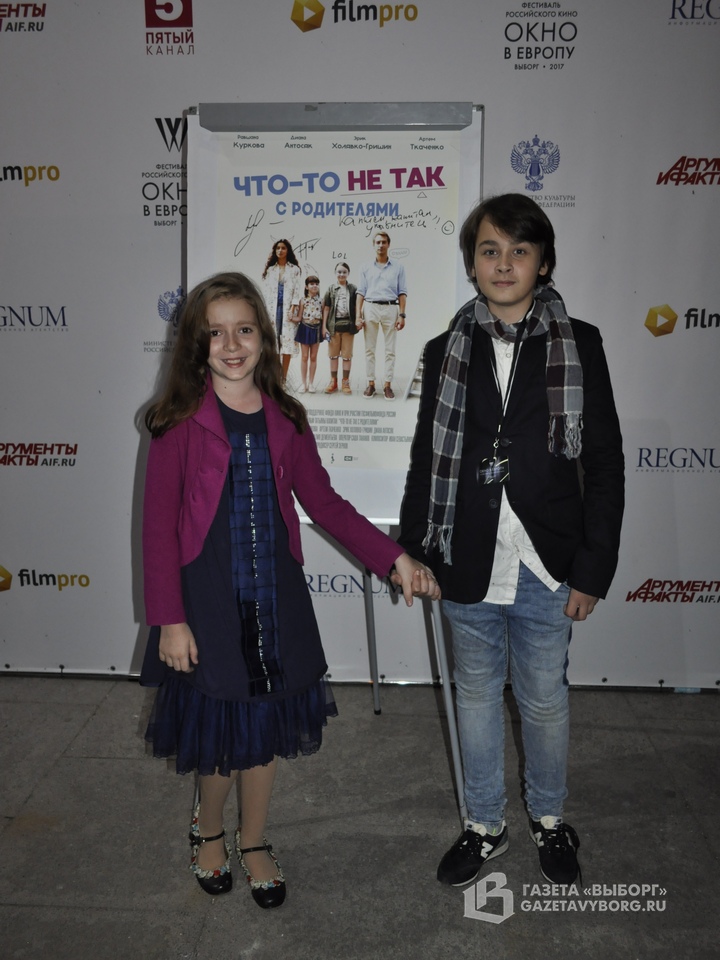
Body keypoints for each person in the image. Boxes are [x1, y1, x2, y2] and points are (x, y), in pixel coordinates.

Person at [141, 272, 440, 910]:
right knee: (221, 729)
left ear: (264, 337)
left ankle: (253, 839)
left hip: (275, 599)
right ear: (196, 343)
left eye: (244, 330)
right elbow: (158, 529)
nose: (231, 345)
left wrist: (393, 559)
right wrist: (170, 619)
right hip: (208, 601)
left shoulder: (287, 418)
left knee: (265, 725)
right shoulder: (176, 423)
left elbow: (325, 504)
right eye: (215, 333)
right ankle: (209, 828)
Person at [398, 194, 624, 888]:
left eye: (519, 251)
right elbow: (426, 460)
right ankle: (485, 824)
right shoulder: (444, 350)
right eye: (490, 250)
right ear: (472, 263)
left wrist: (593, 569)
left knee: (544, 700)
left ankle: (549, 819)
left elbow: (604, 463)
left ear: (543, 264)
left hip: (547, 562)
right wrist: (415, 552)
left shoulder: (579, 342)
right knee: (473, 697)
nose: (503, 263)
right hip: (465, 558)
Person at [356, 231, 407, 401]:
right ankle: (370, 383)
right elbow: (361, 292)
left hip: (391, 307)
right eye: (378, 242)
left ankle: (387, 385)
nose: (381, 245)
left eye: (384, 242)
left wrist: (402, 315)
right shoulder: (365, 267)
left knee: (390, 350)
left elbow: (402, 292)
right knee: (369, 348)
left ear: (388, 244)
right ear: (373, 245)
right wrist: (358, 315)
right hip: (370, 307)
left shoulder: (398, 267)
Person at [260, 239, 302, 384]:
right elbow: (266, 292)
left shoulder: (294, 269)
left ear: (287, 250)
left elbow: (297, 290)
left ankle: (284, 377)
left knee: (287, 342)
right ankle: (276, 376)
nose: (280, 250)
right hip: (273, 310)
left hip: (288, 309)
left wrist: (292, 309)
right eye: (278, 248)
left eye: (283, 248)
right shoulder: (271, 270)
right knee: (275, 341)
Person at [321, 262, 358, 395]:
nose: (341, 274)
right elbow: (326, 308)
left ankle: (345, 382)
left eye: (344, 272)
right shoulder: (331, 289)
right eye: (339, 272)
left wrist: (358, 319)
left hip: (348, 326)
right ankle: (333, 381)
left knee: (347, 356)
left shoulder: (353, 289)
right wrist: (324, 327)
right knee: (333, 355)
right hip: (333, 327)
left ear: (348, 273)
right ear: (335, 273)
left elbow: (357, 306)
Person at [294, 275, 322, 394]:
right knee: (304, 357)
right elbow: (299, 317)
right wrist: (291, 317)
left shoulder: (322, 301)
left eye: (316, 284)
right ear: (306, 287)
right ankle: (303, 383)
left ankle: (311, 383)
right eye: (311, 284)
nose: (314, 286)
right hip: (305, 328)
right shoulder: (302, 300)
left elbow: (324, 317)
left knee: (313, 357)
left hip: (316, 329)